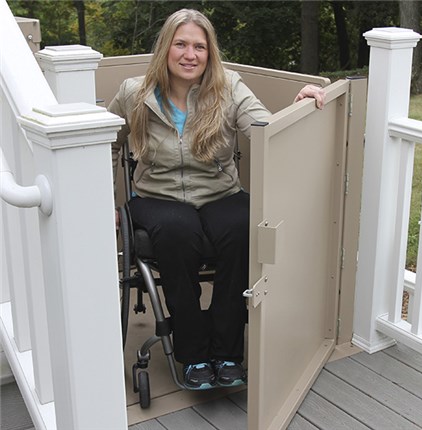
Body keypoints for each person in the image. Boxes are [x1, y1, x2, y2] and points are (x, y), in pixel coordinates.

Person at [109, 8, 325, 390]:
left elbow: (266, 129)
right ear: (165, 47)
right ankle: (193, 354)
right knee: (177, 232)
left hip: (219, 191)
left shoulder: (229, 88)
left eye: (199, 46)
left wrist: (298, 104)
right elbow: (103, 143)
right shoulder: (134, 93)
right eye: (181, 44)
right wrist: (103, 202)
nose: (190, 54)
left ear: (210, 53)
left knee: (243, 226)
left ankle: (227, 352)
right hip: (157, 195)